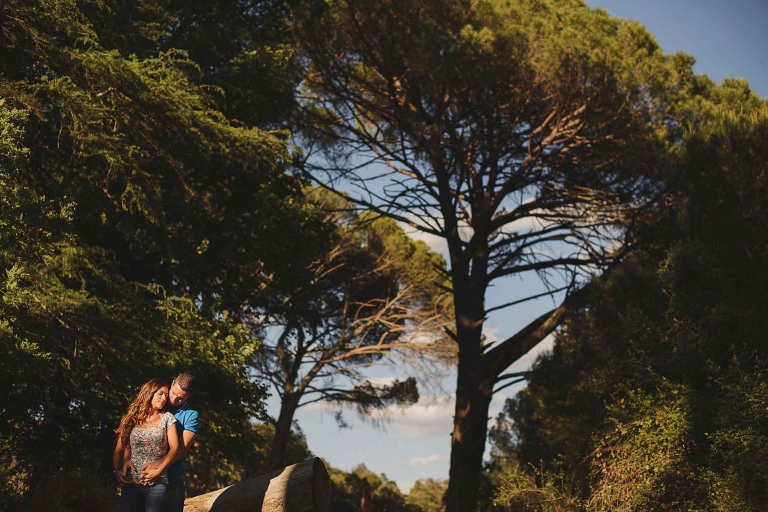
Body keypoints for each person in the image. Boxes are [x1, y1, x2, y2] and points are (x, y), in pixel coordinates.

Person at [127, 373, 198, 512]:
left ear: (188, 396)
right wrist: (126, 459)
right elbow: (132, 435)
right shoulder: (158, 402)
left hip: (173, 477)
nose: (173, 399)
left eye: (180, 397)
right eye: (173, 393)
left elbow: (181, 449)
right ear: (171, 384)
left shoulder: (191, 415)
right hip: (142, 475)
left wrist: (157, 467)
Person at [113, 379, 180, 512]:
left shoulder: (167, 417)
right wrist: (118, 471)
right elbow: (118, 449)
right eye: (160, 394)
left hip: (157, 484)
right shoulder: (132, 418)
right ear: (149, 393)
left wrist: (158, 471)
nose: (163, 398)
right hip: (130, 484)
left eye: (166, 396)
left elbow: (175, 449)